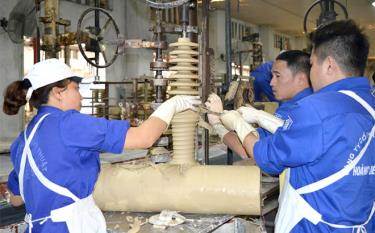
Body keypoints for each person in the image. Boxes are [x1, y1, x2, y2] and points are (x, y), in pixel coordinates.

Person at [3, 58, 201, 233]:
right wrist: (172, 105)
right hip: (70, 227)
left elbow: (16, 199)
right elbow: (144, 138)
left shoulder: (23, 140)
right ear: (58, 92)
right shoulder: (70, 123)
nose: (81, 96)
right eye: (76, 88)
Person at [219, 20, 375, 232]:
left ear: (329, 65)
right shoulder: (369, 105)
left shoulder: (316, 109)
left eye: (312, 64)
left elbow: (266, 158)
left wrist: (234, 123)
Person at [206, 50, 312, 157]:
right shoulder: (289, 107)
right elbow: (254, 142)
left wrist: (218, 124)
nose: (271, 82)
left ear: (300, 79)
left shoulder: (305, 112)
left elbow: (255, 153)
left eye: (278, 76)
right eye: (272, 76)